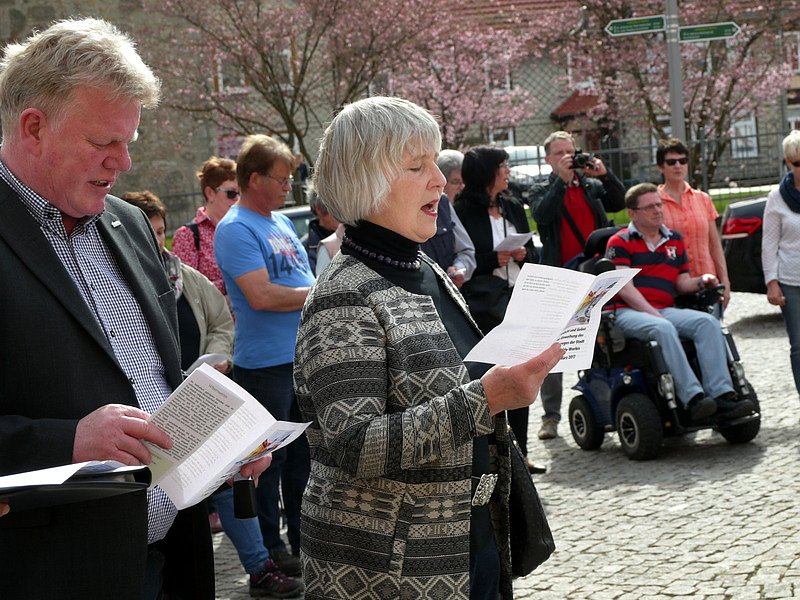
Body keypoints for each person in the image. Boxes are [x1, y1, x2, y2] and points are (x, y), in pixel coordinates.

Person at [0, 18, 267, 598]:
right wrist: (67, 441)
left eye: (130, 141)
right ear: (34, 127)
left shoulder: (127, 223)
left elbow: (151, 377)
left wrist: (218, 441)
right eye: (103, 143)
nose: (123, 163)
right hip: (52, 574)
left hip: (172, 559)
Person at [296, 95, 563, 600]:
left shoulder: (425, 268)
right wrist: (487, 398)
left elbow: (453, 376)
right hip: (390, 571)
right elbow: (355, 444)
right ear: (365, 181)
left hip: (471, 543)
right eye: (417, 166)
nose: (440, 180)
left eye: (435, 163)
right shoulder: (342, 297)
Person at [215, 134, 314, 578]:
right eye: (281, 179)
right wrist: (319, 293)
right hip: (264, 365)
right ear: (254, 179)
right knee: (266, 465)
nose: (288, 187)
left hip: (299, 358)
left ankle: (303, 543)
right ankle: (272, 550)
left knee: (302, 461)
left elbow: (296, 282)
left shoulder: (281, 222)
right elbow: (261, 295)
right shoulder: (236, 228)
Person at [604, 183, 754, 421]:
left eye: (659, 205)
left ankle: (721, 394)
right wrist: (652, 312)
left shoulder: (674, 239)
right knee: (662, 327)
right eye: (649, 207)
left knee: (708, 323)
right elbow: (625, 288)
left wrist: (701, 281)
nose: (657, 210)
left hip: (663, 309)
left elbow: (681, 283)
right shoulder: (619, 242)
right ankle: (693, 399)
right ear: (632, 213)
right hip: (627, 311)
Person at [530, 130, 626, 441]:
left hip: (595, 276)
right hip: (561, 278)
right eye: (559, 153)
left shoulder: (590, 185)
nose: (567, 158)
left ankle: (605, 404)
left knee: (601, 340)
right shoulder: (541, 188)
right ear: (548, 159)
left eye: (570, 152)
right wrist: (560, 180)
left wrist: (605, 175)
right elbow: (542, 215)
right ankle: (551, 416)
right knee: (554, 347)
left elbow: (619, 202)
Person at [455, 145, 540, 472]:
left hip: (519, 297)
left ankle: (522, 452)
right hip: (484, 306)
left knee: (521, 373)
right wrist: (493, 259)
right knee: (491, 378)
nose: (507, 171)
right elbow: (462, 258)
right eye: (502, 166)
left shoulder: (512, 205)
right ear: (486, 173)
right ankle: (491, 454)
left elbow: (535, 252)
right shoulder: (462, 210)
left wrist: (523, 254)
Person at [120, 191, 233, 374]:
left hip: (197, 386)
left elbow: (220, 322)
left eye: (160, 232)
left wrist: (216, 356)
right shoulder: (115, 285)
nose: (157, 241)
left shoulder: (187, 276)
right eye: (146, 232)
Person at [656, 137, 730, 314]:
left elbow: (715, 245)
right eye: (671, 162)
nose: (678, 166)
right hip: (672, 287)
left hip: (707, 282)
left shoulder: (702, 199)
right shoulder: (654, 203)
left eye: (682, 161)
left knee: (712, 329)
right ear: (660, 167)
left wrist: (725, 280)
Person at [762, 130, 800, 398]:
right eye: (798, 163)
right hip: (791, 280)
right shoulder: (777, 196)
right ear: (788, 162)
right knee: (799, 345)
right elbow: (769, 243)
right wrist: (772, 283)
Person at [171, 156, 239, 295]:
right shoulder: (187, 235)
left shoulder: (243, 229)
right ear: (210, 193)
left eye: (240, 193)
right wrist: (233, 284)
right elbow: (187, 288)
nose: (237, 199)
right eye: (231, 193)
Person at [421, 149, 476, 288]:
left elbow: (466, 251)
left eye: (463, 182)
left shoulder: (444, 204)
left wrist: (459, 268)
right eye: (455, 182)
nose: (461, 188)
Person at [302, 190, 340, 273]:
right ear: (319, 209)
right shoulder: (305, 247)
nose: (339, 216)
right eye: (333, 210)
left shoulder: (347, 237)